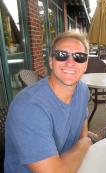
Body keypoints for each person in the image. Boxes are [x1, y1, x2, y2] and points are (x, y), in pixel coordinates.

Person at [4, 31, 92, 173]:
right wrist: (84, 144)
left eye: (79, 57)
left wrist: (83, 138)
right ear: (51, 61)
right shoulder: (29, 107)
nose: (70, 63)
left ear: (85, 64)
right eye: (61, 55)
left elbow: (83, 119)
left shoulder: (82, 90)